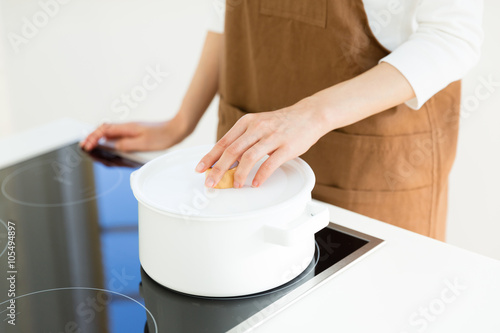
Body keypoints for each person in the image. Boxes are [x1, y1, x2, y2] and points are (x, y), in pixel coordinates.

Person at [81, 0, 483, 241]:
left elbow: (453, 38)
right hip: (254, 170)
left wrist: (308, 115)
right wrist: (181, 122)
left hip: (371, 172)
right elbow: (227, 15)